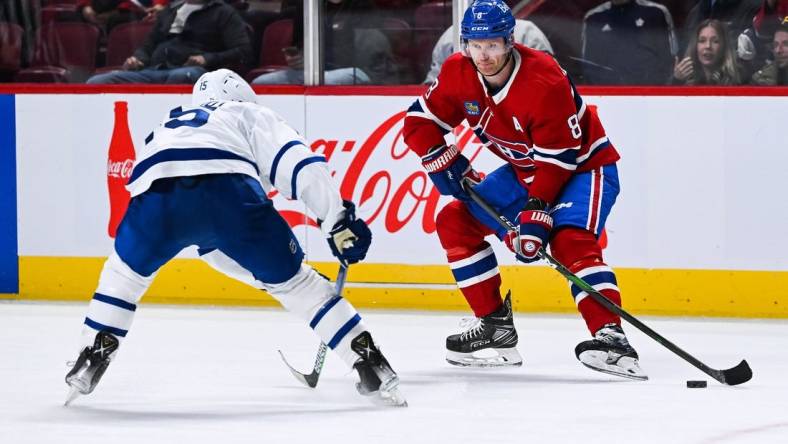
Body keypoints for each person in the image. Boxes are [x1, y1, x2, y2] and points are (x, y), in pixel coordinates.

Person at [64, 69, 406, 407]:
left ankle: (92, 354)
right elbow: (300, 164)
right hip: (229, 194)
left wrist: (263, 275)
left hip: (155, 197)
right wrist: (336, 221)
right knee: (301, 287)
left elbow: (214, 249)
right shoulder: (247, 112)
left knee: (123, 277)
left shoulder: (167, 125)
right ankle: (370, 362)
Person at [402, 0, 646, 380]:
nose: (483, 56)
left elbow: (559, 160)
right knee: (454, 222)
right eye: (475, 45)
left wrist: (536, 214)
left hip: (582, 168)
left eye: (493, 45)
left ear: (509, 41)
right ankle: (494, 328)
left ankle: (610, 336)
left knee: (568, 239)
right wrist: (439, 156)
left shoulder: (544, 80)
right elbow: (420, 121)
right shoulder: (457, 71)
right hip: (525, 170)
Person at [86, 0, 252, 84]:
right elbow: (148, 45)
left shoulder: (223, 12)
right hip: (155, 69)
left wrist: (207, 59)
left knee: (181, 76)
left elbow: (242, 51)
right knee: (98, 82)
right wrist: (138, 58)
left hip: (196, 71)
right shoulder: (170, 10)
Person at [252, 0, 396, 85]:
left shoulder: (363, 7)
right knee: (261, 82)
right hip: (311, 73)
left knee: (325, 80)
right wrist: (297, 59)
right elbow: (298, 44)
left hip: (357, 70)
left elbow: (368, 53)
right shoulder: (308, 6)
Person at [423, 19, 553, 84]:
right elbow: (433, 83)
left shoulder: (527, 32)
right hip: (471, 112)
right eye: (476, 46)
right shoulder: (452, 35)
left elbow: (549, 79)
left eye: (493, 46)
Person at [581, 0, 677, 85]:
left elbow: (670, 60)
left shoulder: (656, 13)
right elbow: (589, 67)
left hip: (652, 95)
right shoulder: (593, 18)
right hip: (609, 97)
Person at [672, 19, 742, 85]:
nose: (708, 46)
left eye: (715, 41)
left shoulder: (737, 81)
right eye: (702, 41)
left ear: (723, 47)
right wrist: (676, 80)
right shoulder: (685, 81)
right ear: (695, 45)